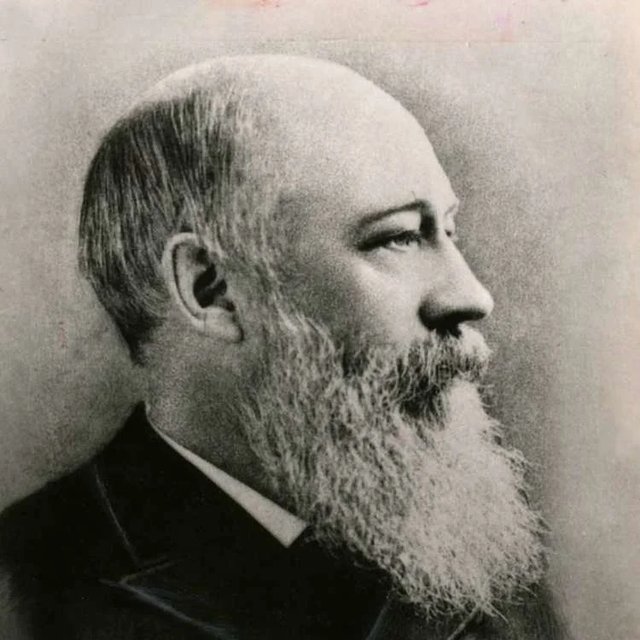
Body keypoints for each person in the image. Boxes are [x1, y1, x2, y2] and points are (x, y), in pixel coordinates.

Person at [0, 55, 566, 639]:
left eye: (447, 230)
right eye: (398, 237)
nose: (471, 296)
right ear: (213, 290)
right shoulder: (27, 591)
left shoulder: (481, 572)